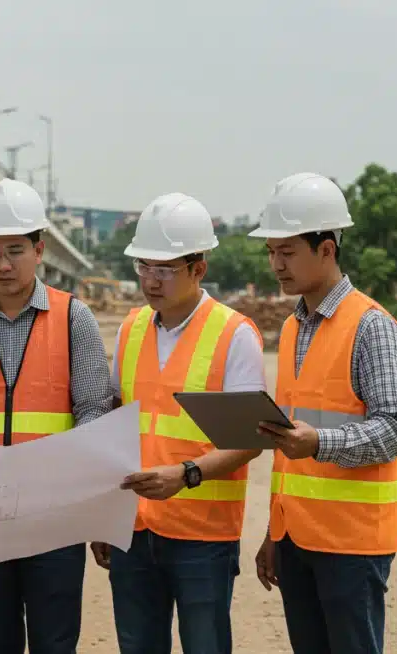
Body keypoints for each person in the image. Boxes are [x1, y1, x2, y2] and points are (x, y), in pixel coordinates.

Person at [0, 178, 113, 654]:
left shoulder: (76, 318)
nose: (4, 264)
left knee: (55, 643)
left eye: (16, 250)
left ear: (40, 249)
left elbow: (94, 408)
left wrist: (54, 471)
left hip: (53, 518)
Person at [88, 192, 267, 654]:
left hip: (202, 537)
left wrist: (185, 475)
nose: (151, 280)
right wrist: (106, 518)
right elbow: (115, 422)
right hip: (135, 528)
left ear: (198, 269)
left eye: (164, 269)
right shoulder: (130, 329)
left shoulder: (234, 334)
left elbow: (249, 440)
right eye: (144, 267)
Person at [248, 172, 397, 654]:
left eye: (288, 252)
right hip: (298, 539)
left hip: (353, 544)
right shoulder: (295, 327)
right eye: (271, 252)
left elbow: (393, 430)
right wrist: (275, 531)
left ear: (327, 249)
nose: (276, 264)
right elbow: (290, 441)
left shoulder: (372, 327)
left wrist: (319, 442)